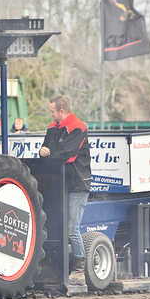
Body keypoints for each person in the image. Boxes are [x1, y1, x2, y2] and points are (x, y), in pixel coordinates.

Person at [39, 95, 91, 286]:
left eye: (52, 110)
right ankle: (54, 267)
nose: (50, 113)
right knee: (53, 225)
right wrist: (43, 151)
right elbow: (47, 149)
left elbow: (68, 156)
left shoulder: (78, 127)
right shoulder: (52, 128)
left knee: (71, 227)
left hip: (77, 184)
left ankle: (78, 270)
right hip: (58, 183)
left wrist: (49, 153)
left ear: (62, 111)